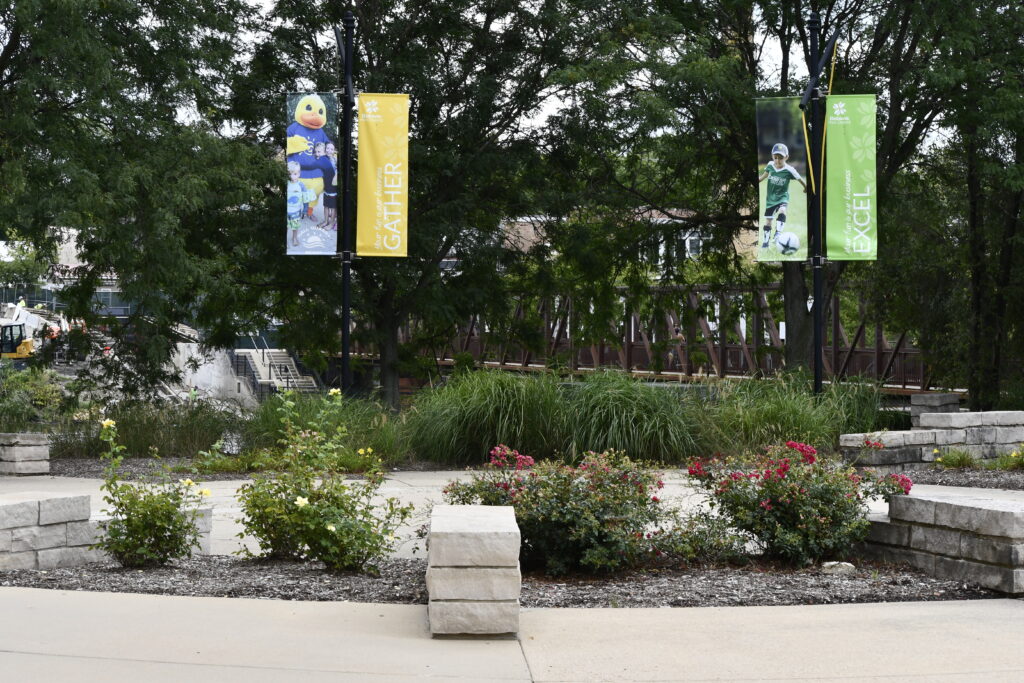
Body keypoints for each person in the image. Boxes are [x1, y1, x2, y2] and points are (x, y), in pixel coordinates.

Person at [757, 143, 807, 249]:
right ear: (772, 157)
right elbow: (763, 177)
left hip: (782, 197)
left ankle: (778, 234)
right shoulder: (770, 165)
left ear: (786, 157)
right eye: (775, 157)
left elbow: (800, 179)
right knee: (768, 221)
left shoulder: (789, 170)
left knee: (783, 210)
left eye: (780, 158)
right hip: (770, 199)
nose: (778, 160)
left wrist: (805, 188)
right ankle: (765, 243)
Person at [287, 161, 315, 247]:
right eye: (293, 173)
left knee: (295, 226)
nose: (295, 175)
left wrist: (305, 209)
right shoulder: (286, 183)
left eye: (297, 173)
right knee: (287, 226)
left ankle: (294, 237)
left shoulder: (301, 185)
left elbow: (306, 198)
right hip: (287, 210)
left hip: (296, 210)